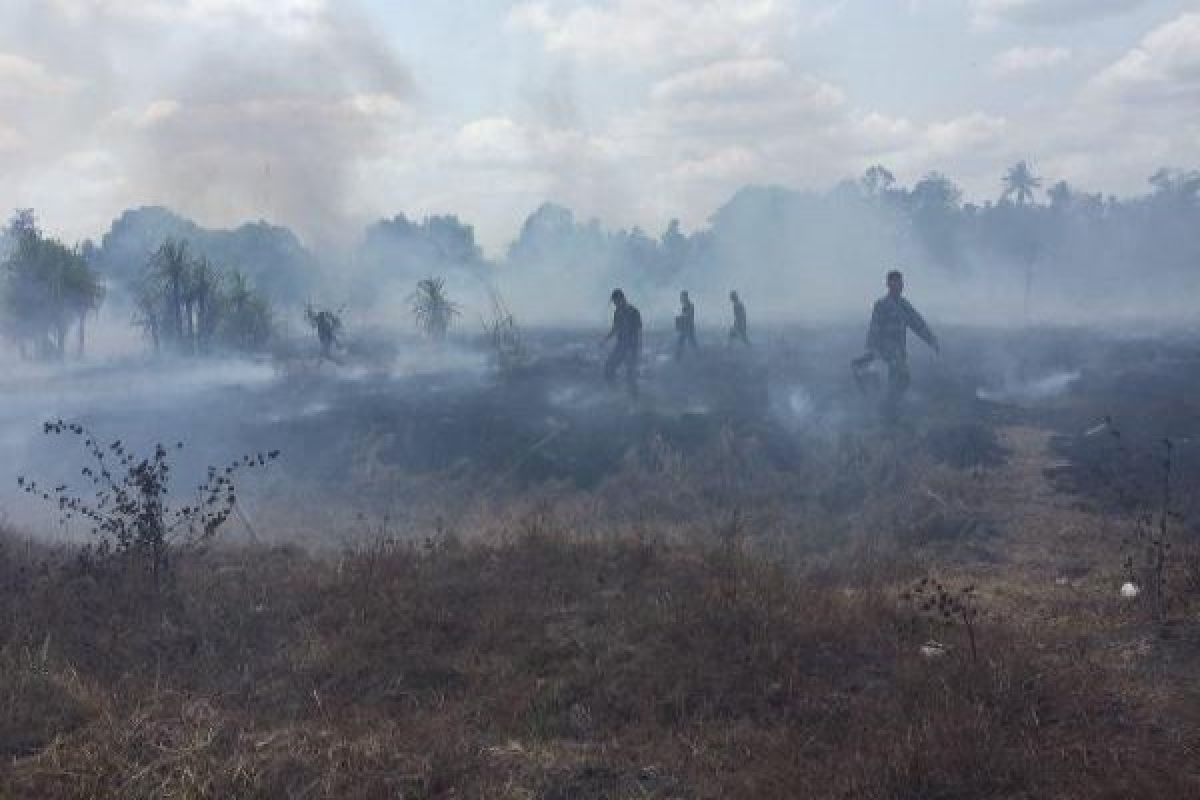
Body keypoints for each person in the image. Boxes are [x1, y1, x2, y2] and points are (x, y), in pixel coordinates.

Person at [861, 270, 939, 419]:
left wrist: (931, 339)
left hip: (899, 350)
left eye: (901, 282)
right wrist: (871, 349)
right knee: (903, 377)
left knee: (896, 379)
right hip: (887, 349)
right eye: (895, 282)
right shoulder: (881, 305)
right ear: (888, 284)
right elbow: (874, 327)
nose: (899, 285)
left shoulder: (904, 305)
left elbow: (917, 323)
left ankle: (889, 411)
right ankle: (887, 407)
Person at [603, 288, 642, 397]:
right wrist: (605, 340)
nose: (615, 304)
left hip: (632, 347)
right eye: (614, 303)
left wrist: (637, 350)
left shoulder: (634, 311)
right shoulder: (617, 312)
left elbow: (639, 331)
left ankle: (634, 398)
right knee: (608, 369)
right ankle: (615, 393)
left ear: (621, 299)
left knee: (630, 375)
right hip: (620, 346)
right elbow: (615, 329)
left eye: (615, 302)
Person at [675, 290, 698, 360]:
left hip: (688, 327)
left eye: (682, 297)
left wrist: (680, 317)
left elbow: (689, 315)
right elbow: (686, 315)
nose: (680, 299)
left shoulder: (690, 305)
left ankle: (678, 357)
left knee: (691, 342)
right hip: (685, 327)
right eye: (681, 297)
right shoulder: (685, 305)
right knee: (684, 342)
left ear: (685, 297)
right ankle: (678, 357)